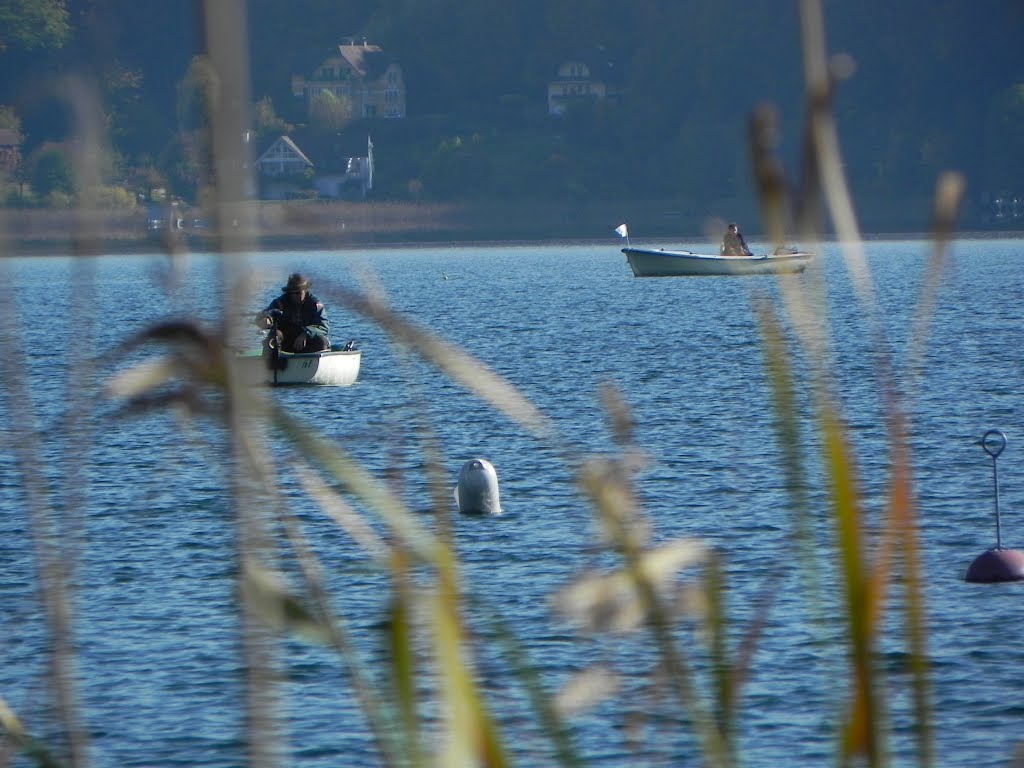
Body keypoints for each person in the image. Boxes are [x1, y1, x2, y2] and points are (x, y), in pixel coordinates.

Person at [256, 273, 331, 353]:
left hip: (307, 343)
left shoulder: (315, 305)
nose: (295, 296)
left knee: (322, 341)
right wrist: (266, 320)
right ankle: (272, 363)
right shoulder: (279, 302)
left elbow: (323, 327)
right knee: (274, 336)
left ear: (305, 290)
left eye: (298, 293)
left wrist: (306, 333)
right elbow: (266, 314)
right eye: (292, 293)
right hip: (285, 341)